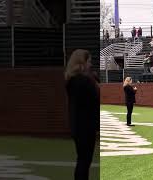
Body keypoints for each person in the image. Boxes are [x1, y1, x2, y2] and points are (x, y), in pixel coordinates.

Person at [65, 49, 98, 180]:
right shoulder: (83, 81)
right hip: (85, 126)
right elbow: (92, 103)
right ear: (82, 62)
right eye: (89, 61)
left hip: (78, 126)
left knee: (82, 160)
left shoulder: (72, 80)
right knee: (84, 161)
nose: (90, 65)